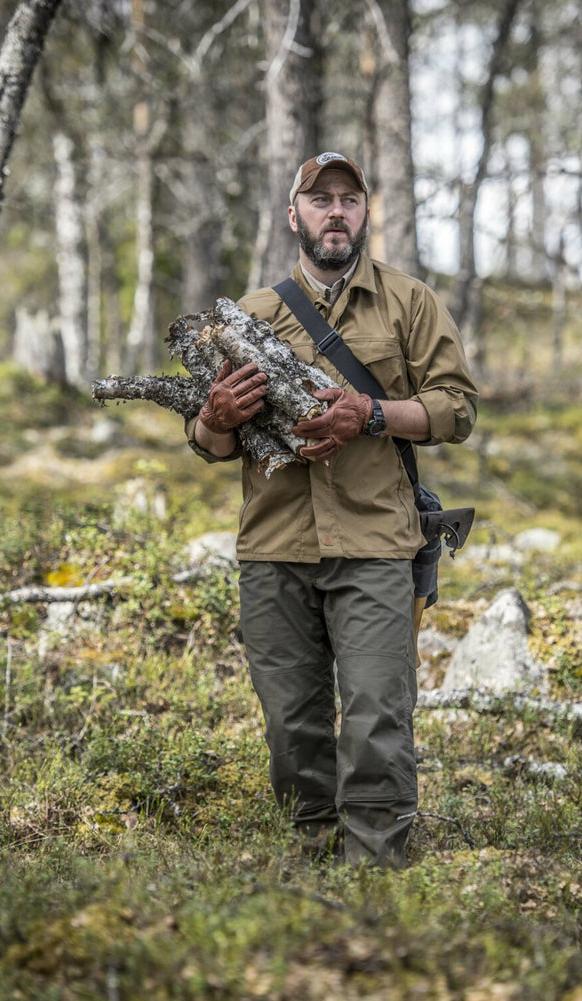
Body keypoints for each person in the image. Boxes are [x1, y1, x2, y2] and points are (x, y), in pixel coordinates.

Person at [188, 151, 478, 868]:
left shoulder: (410, 303)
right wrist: (215, 417)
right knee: (292, 723)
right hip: (275, 547)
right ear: (295, 216)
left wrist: (371, 413)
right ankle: (313, 854)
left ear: (366, 212)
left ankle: (376, 864)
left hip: (377, 543)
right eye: (321, 200)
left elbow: (457, 409)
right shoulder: (249, 316)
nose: (336, 212)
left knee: (378, 711)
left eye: (349, 199)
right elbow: (210, 443)